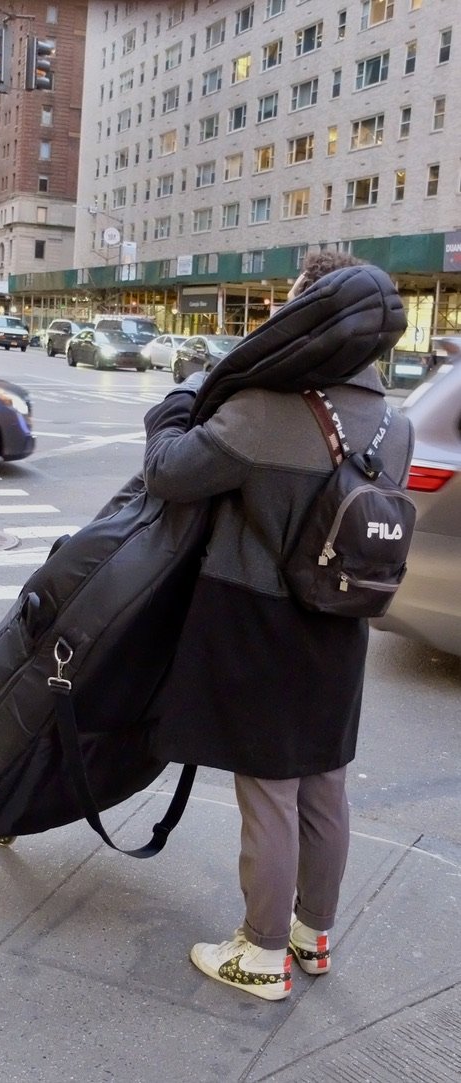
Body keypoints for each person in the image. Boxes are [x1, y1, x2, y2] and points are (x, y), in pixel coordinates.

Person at [141, 259, 415, 1001]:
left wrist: (176, 400)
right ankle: (311, 935)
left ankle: (260, 952)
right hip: (338, 624)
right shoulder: (396, 424)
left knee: (268, 789)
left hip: (256, 620)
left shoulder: (266, 409)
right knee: (323, 784)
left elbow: (169, 472)